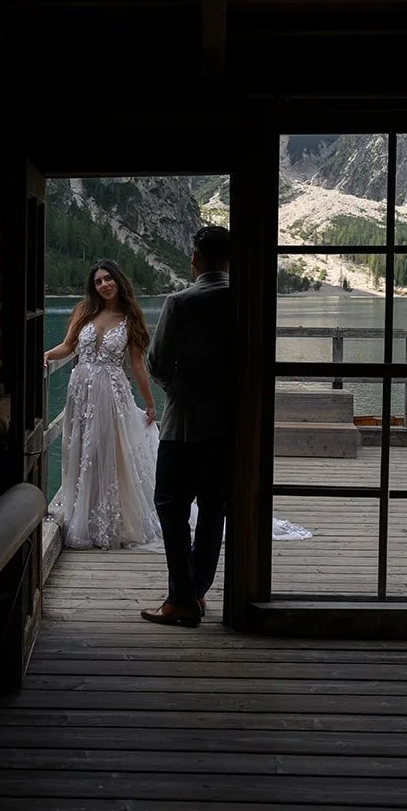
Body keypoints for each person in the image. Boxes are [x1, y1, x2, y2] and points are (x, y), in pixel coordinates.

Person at [140, 226, 235, 627]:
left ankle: (182, 598)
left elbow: (157, 364)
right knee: (214, 509)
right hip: (232, 426)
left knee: (170, 506)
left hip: (184, 426)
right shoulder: (246, 300)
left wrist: (180, 391)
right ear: (231, 260)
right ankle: (196, 591)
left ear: (194, 259)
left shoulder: (179, 302)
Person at [44, 260, 163, 550]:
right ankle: (85, 516)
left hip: (110, 393)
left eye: (108, 278)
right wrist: (45, 355)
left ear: (118, 281)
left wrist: (149, 403)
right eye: (98, 282)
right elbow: (68, 347)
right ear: (93, 287)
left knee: (107, 451)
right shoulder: (84, 312)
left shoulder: (130, 318)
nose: (104, 285)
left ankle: (110, 520)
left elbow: (136, 365)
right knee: (84, 452)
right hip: (80, 393)